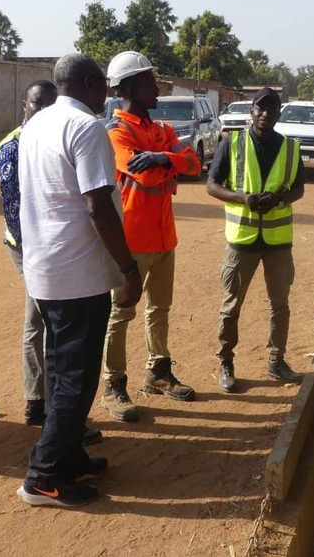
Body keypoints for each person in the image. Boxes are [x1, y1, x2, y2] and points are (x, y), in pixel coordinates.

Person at [16, 53, 142, 507]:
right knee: (75, 379)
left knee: (62, 368)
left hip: (47, 269)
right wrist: (128, 268)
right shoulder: (87, 127)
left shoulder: (37, 124)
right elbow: (98, 205)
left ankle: (67, 454)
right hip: (78, 274)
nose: (109, 92)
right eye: (105, 84)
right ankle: (44, 477)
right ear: (90, 83)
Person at [99, 51, 201, 422]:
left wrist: (161, 158)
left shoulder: (160, 131)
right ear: (128, 87)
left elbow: (193, 163)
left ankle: (157, 372)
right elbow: (141, 175)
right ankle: (114, 384)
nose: (157, 88)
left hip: (163, 237)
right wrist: (167, 163)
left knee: (160, 309)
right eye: (148, 82)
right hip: (132, 240)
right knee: (121, 313)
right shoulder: (117, 131)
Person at [207, 87, 306, 393]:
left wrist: (278, 199)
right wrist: (243, 198)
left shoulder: (291, 147)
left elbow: (298, 189)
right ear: (251, 112)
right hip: (242, 239)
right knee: (231, 306)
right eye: (259, 109)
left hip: (278, 241)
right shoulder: (232, 142)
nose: (265, 114)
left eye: (271, 109)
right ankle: (226, 361)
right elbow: (212, 185)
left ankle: (276, 361)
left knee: (280, 306)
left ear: (279, 113)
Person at [0, 80, 58, 425]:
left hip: (51, 246)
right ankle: (41, 402)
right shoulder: (13, 146)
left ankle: (40, 400)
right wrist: (39, 255)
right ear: (24, 105)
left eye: (50, 106)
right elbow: (13, 209)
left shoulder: (52, 140)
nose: (43, 112)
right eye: (37, 105)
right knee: (42, 320)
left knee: (40, 320)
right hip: (29, 248)